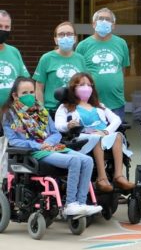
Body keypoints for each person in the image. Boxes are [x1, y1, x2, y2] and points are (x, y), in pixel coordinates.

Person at [2, 76, 101, 218]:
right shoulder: (10, 115)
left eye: (31, 92)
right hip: (33, 152)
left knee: (88, 160)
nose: (29, 96)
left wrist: (49, 142)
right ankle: (70, 204)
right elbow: (13, 141)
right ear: (15, 95)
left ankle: (80, 203)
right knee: (74, 161)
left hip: (52, 147)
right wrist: (38, 145)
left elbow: (55, 133)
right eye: (25, 93)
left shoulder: (41, 111)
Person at [54, 72, 134, 192]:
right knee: (96, 138)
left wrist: (106, 131)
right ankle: (102, 178)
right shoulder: (66, 107)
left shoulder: (99, 106)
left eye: (89, 84)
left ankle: (118, 176)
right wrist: (68, 125)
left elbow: (116, 119)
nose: (86, 87)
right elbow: (58, 125)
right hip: (83, 137)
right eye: (81, 84)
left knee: (117, 136)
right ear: (73, 88)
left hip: (103, 135)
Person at [75, 8, 130, 120]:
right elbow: (77, 76)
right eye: (101, 19)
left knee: (116, 136)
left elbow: (122, 69)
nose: (104, 21)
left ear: (113, 25)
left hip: (116, 102)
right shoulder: (83, 46)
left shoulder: (121, 43)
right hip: (90, 102)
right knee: (94, 135)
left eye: (108, 19)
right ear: (93, 24)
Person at [33, 21, 86, 111]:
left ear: (75, 38)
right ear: (55, 39)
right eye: (61, 34)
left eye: (69, 34)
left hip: (76, 110)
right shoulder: (46, 58)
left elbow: (85, 86)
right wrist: (41, 111)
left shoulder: (80, 59)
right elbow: (39, 87)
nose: (65, 37)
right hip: (52, 110)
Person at [0, 10, 29, 107]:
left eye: (7, 27)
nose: (3, 30)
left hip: (12, 114)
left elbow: (24, 81)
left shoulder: (14, 52)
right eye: (0, 26)